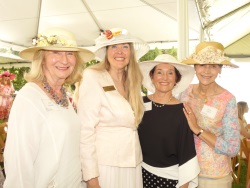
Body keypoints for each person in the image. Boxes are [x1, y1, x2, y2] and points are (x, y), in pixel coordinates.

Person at [3, 27, 95, 188]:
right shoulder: (29, 97)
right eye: (56, 52)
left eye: (70, 53)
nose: (64, 60)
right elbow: (19, 161)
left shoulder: (63, 94)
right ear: (42, 58)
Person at [77, 28, 149, 188]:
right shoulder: (93, 76)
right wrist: (91, 178)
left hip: (133, 165)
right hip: (104, 167)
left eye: (125, 46)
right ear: (106, 51)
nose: (120, 52)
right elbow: (85, 130)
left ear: (131, 52)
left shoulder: (134, 81)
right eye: (114, 47)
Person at [179, 41, 240, 188]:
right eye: (202, 65)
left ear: (220, 69)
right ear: (194, 67)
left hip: (213, 177)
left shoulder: (227, 99)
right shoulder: (184, 92)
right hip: (184, 172)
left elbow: (233, 148)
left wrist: (198, 130)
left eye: (213, 66)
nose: (207, 71)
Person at [138, 54, 200, 188]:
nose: (164, 78)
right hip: (138, 174)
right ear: (152, 76)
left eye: (170, 73)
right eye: (159, 72)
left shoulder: (182, 111)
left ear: (176, 79)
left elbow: (186, 150)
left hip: (168, 179)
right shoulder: (139, 104)